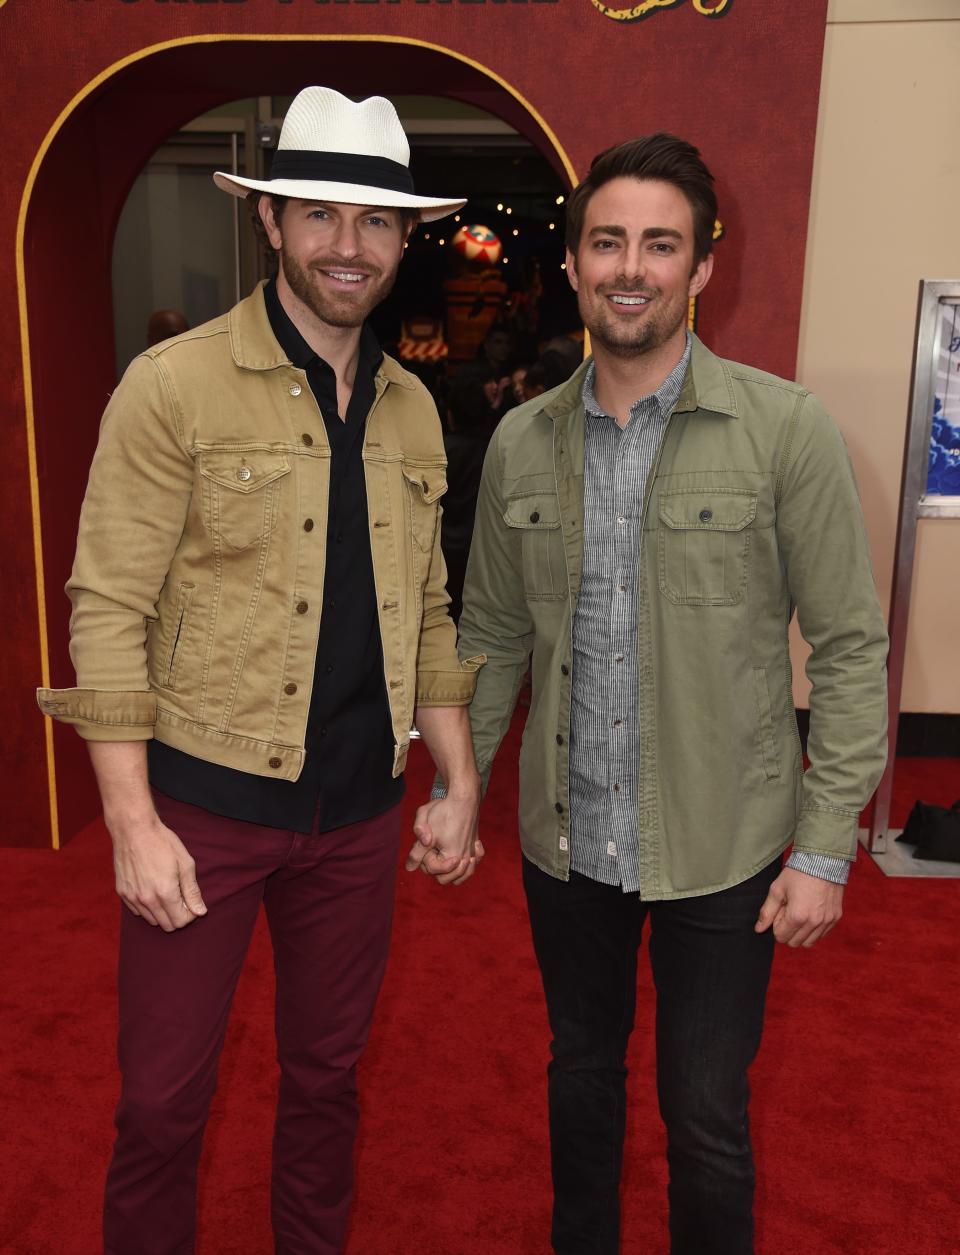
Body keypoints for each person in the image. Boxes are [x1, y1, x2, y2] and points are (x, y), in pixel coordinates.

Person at [417, 133, 889, 1253]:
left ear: (702, 267)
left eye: (661, 244)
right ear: (575, 265)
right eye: (609, 241)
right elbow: (488, 633)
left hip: (724, 844)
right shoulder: (524, 441)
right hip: (566, 840)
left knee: (705, 1115)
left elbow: (852, 649)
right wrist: (456, 784)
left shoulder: (786, 431)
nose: (633, 266)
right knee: (579, 1075)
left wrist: (824, 850)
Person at [37, 86, 485, 1255]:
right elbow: (108, 604)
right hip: (202, 806)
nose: (350, 245)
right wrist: (130, 822)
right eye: (322, 216)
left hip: (357, 816)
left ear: (404, 239)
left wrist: (459, 778)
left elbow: (428, 612)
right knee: (163, 1101)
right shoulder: (173, 385)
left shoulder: (413, 410)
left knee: (328, 1083)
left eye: (377, 222)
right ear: (272, 224)